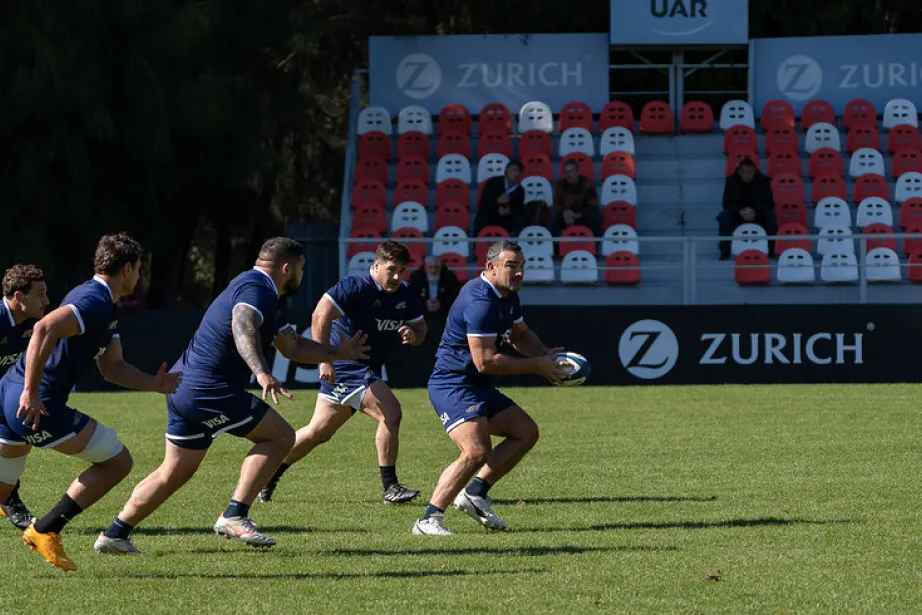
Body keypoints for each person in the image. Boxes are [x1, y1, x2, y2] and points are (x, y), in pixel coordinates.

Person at [95, 237, 369, 555]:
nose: (302, 275)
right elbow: (243, 324)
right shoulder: (258, 289)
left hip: (184, 388)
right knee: (280, 437)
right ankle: (235, 514)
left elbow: (293, 347)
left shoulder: (262, 292)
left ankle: (115, 533)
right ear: (287, 268)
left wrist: (338, 351)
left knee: (173, 471)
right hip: (209, 388)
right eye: (302, 269)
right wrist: (262, 371)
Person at [0, 233, 182, 571]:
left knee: (2, 487)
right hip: (34, 401)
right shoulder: (94, 299)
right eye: (138, 269)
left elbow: (112, 368)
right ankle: (46, 530)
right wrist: (31, 391)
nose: (139, 276)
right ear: (126, 268)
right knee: (118, 462)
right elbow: (43, 329)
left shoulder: (105, 306)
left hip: (11, 396)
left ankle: (43, 529)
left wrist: (153, 384)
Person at [412, 240, 568, 536]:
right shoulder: (480, 301)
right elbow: (485, 361)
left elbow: (520, 335)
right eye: (511, 266)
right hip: (454, 384)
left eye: (522, 267)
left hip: (477, 385)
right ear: (491, 267)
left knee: (525, 432)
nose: (519, 273)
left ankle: (475, 492)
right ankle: (428, 519)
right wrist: (536, 366)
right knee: (475, 451)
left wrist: (546, 355)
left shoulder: (507, 294)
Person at [259, 241, 427, 505]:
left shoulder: (405, 293)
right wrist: (325, 360)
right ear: (376, 265)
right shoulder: (355, 287)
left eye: (402, 271)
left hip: (363, 369)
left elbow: (421, 329)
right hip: (347, 367)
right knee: (391, 412)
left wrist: (412, 335)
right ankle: (390, 487)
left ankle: (265, 477)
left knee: (317, 432)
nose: (396, 277)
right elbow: (319, 315)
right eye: (391, 269)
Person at [0, 265, 49, 531]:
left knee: (14, 443)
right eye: (40, 294)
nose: (46, 301)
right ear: (19, 297)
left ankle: (8, 498)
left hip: (5, 395)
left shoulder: (35, 324)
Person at [718, 157, 777, 259]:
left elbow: (769, 203)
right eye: (744, 172)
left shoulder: (763, 181)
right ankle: (725, 252)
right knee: (724, 216)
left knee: (771, 216)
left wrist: (754, 211)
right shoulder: (731, 181)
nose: (747, 174)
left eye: (750, 171)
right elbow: (726, 203)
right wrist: (740, 211)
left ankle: (771, 250)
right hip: (738, 215)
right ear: (739, 171)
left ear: (754, 171)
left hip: (758, 215)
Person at [474, 160, 526, 236]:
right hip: (490, 213)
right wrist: (497, 201)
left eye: (519, 171)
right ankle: (478, 245)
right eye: (514, 170)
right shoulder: (493, 182)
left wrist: (508, 211)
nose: (516, 174)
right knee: (482, 218)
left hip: (507, 218)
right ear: (506, 171)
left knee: (519, 222)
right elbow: (483, 202)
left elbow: (519, 210)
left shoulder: (520, 190)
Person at [552, 160, 603, 237]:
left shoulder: (587, 183)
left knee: (596, 217)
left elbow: (592, 204)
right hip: (566, 215)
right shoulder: (560, 184)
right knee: (552, 217)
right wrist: (564, 212)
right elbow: (557, 204)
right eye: (566, 172)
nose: (568, 174)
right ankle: (556, 246)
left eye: (571, 171)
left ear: (577, 171)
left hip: (583, 215)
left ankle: (594, 244)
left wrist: (579, 215)